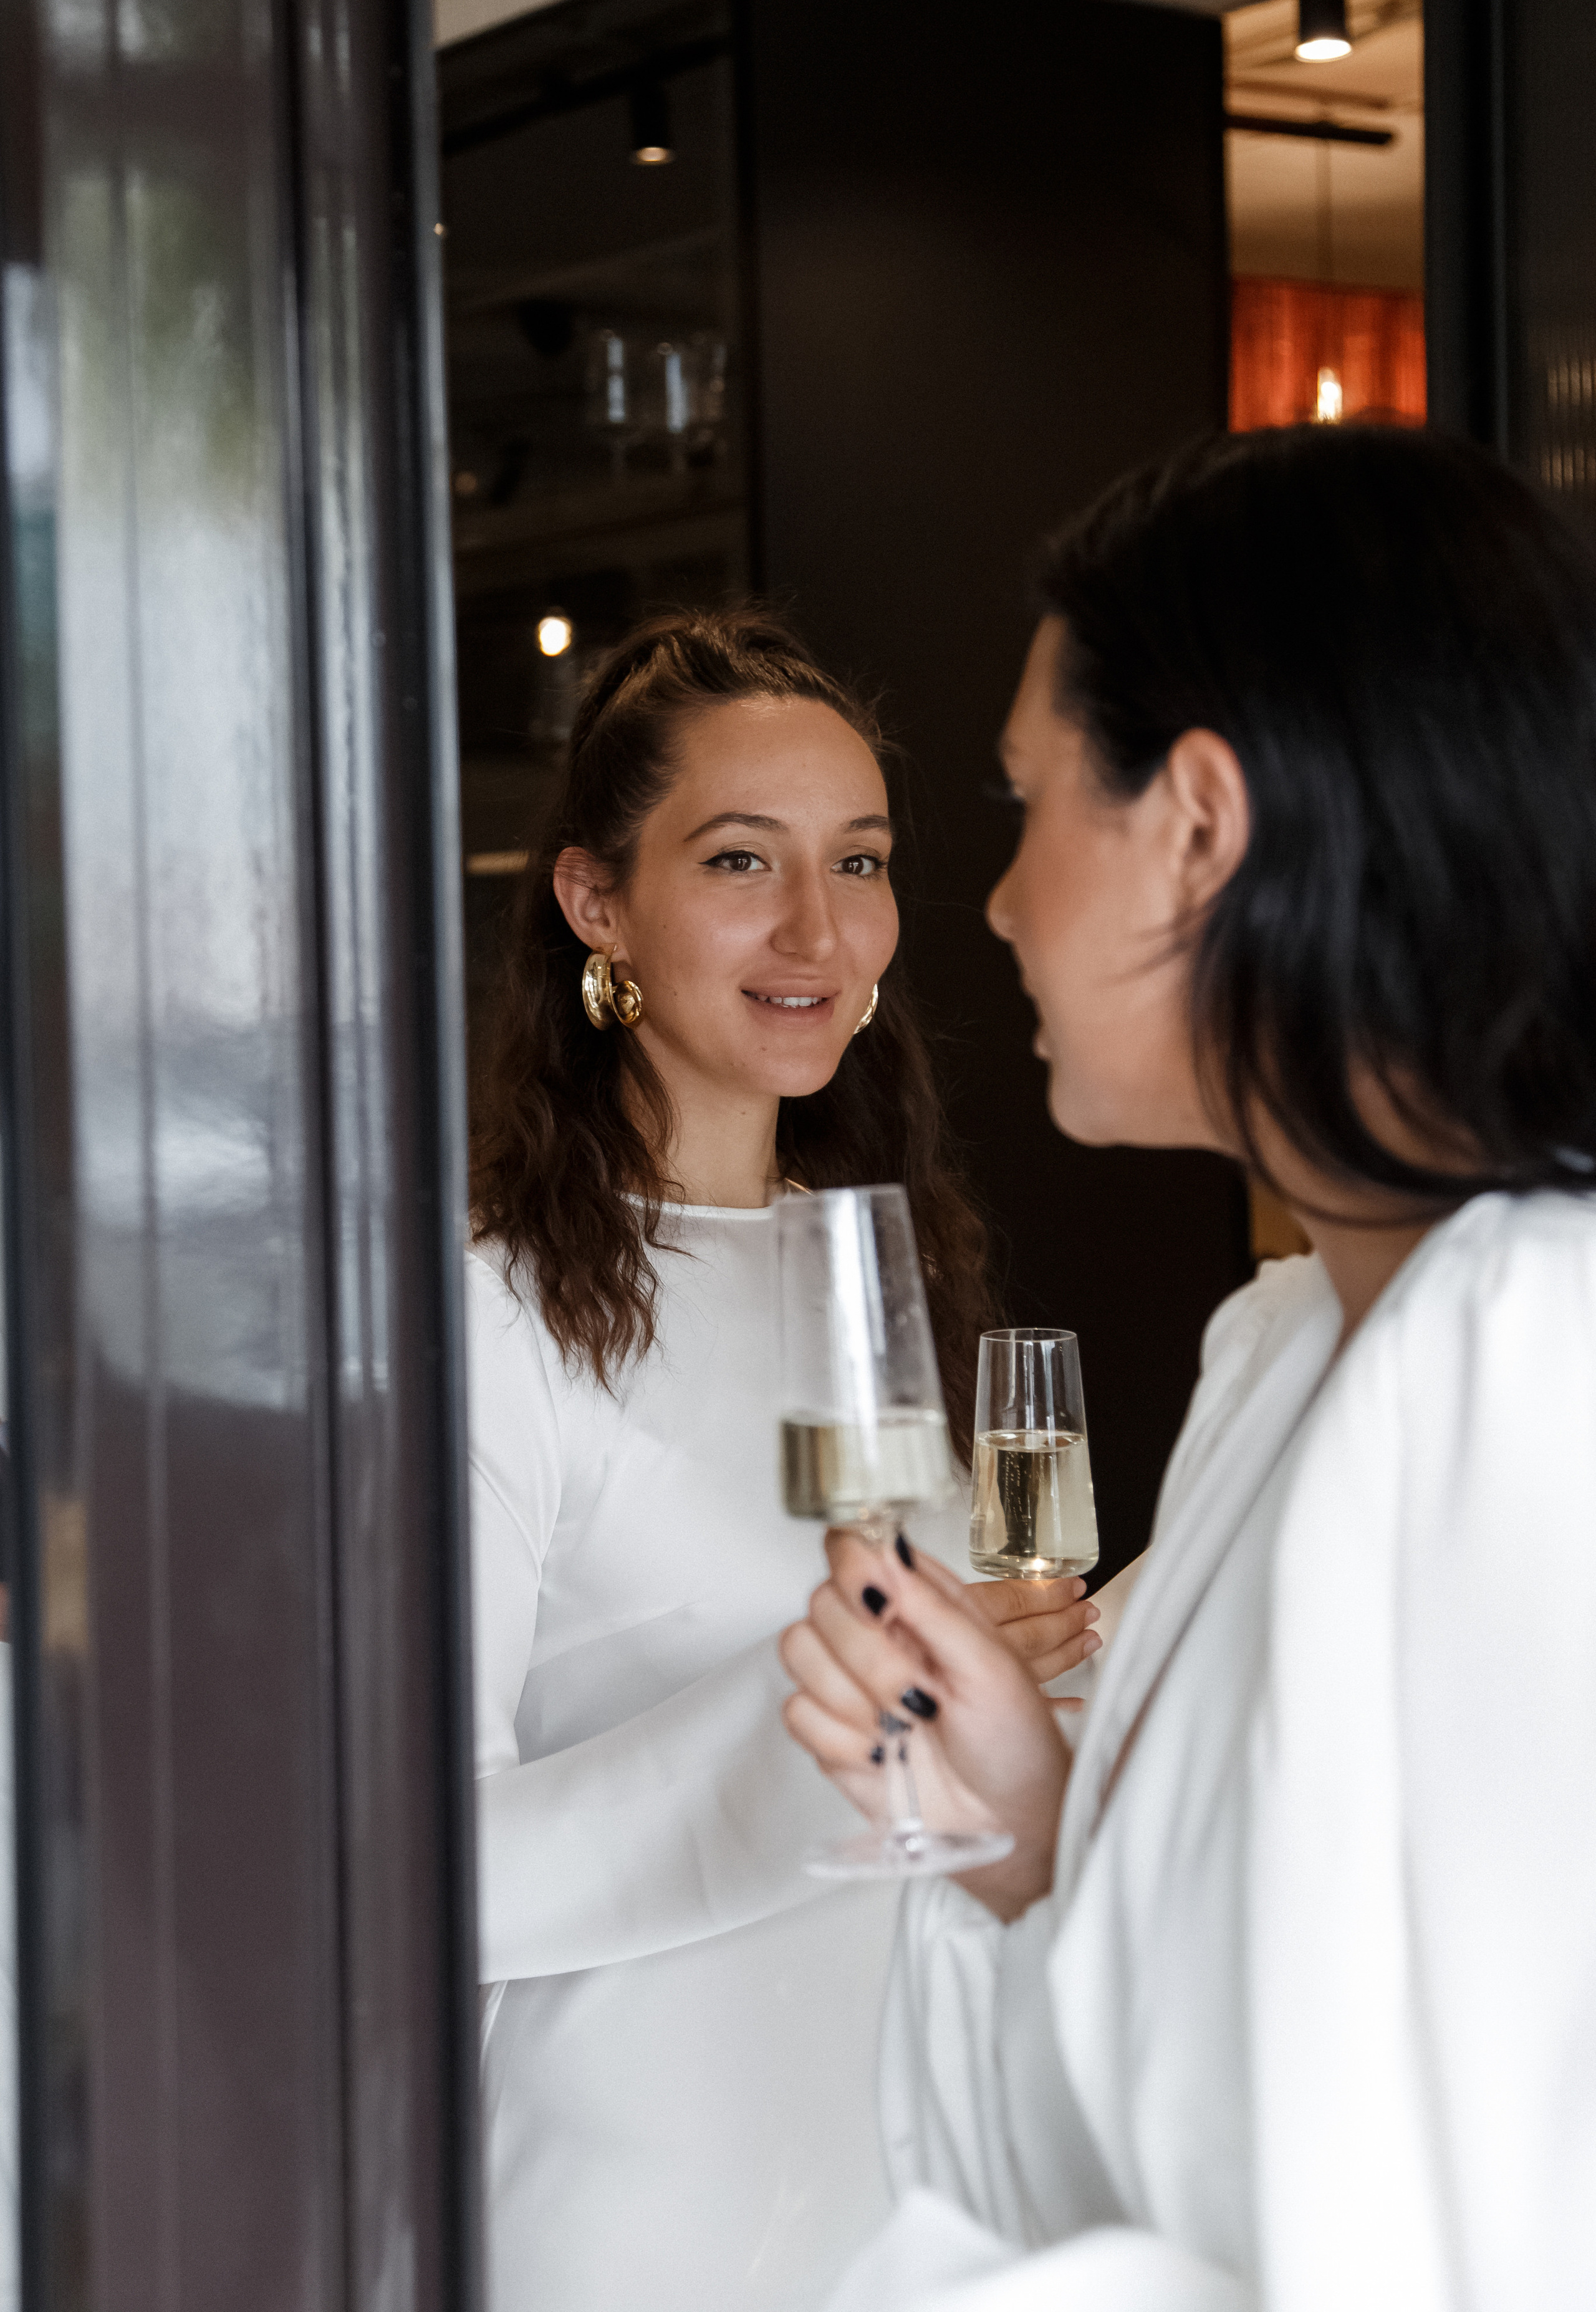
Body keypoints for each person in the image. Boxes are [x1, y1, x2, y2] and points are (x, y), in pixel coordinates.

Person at [779, 426, 1596, 2310]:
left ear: (1201, 827)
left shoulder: (1526, 1369)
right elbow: (1208, 2134)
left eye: (1030, 801)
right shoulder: (1288, 1351)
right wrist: (1034, 1837)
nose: (996, 904)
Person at [465, 610, 1103, 2312]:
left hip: (901, 2174)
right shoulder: (489, 1309)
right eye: (742, 859)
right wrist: (829, 1696)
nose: (819, 927)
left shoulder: (881, 1268)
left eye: (861, 861)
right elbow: (419, 1875)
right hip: (638, 2208)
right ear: (597, 901)